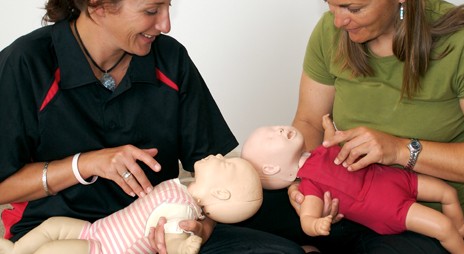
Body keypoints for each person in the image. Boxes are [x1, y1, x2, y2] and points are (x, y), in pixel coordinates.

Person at [0, 0, 304, 253]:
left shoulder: (171, 59)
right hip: (58, 237)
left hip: (160, 232)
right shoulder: (26, 63)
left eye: (168, 7)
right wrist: (86, 164)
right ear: (98, 6)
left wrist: (201, 226)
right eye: (151, 10)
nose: (165, 24)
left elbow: (214, 175)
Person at [281, 0, 464, 253]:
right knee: (241, 210)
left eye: (353, 9)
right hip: (344, 197)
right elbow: (309, 121)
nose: (338, 22)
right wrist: (303, 183)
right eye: (331, 5)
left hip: (423, 213)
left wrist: (399, 150)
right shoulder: (330, 32)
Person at [241, 117, 464, 254]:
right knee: (440, 226)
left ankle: (459, 226)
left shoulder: (318, 151)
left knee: (447, 192)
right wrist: (317, 224)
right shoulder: (309, 186)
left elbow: (332, 142)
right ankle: (462, 251)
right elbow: (307, 219)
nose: (279, 128)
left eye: (273, 126)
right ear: (271, 169)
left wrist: (329, 127)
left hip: (394, 178)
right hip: (388, 206)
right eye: (271, 136)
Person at [0, 154, 264, 254]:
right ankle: (16, 250)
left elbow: (171, 241)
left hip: (103, 249)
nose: (220, 155)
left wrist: (185, 246)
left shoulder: (184, 210)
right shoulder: (180, 187)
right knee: (52, 226)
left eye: (227, 162)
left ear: (221, 193)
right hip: (97, 229)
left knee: (56, 250)